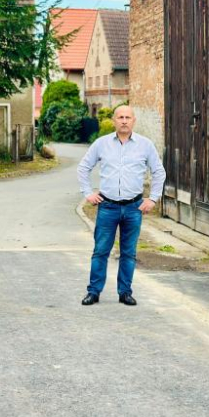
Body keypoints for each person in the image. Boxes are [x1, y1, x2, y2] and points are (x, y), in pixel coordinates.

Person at [77, 105, 166, 306]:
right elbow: (83, 168)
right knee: (101, 250)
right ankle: (94, 291)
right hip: (107, 206)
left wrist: (152, 198)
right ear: (114, 120)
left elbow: (159, 172)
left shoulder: (145, 145)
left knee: (129, 252)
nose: (124, 121)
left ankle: (125, 292)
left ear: (134, 120)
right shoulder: (101, 144)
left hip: (134, 207)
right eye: (120, 117)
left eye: (128, 117)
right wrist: (88, 193)